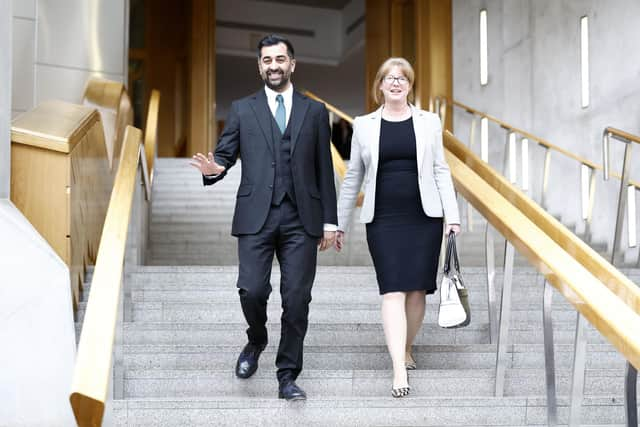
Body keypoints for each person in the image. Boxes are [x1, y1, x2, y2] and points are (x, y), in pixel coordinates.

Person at [190, 34, 337, 401]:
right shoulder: (242, 109)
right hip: (256, 216)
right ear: (259, 66)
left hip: (302, 219)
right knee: (252, 289)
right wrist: (213, 168)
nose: (274, 65)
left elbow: (324, 169)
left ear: (292, 64)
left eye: (280, 59)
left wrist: (330, 222)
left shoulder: (315, 112)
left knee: (297, 298)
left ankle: (287, 375)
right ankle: (256, 339)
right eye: (267, 60)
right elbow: (224, 155)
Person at [335, 57, 460, 398]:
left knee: (417, 290)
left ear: (409, 84)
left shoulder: (429, 122)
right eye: (388, 78)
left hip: (425, 217)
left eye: (401, 78)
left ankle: (407, 346)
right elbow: (353, 179)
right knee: (392, 290)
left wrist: (453, 215)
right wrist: (339, 222)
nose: (395, 83)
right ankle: (398, 369)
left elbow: (440, 170)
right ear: (379, 85)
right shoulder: (364, 125)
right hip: (384, 218)